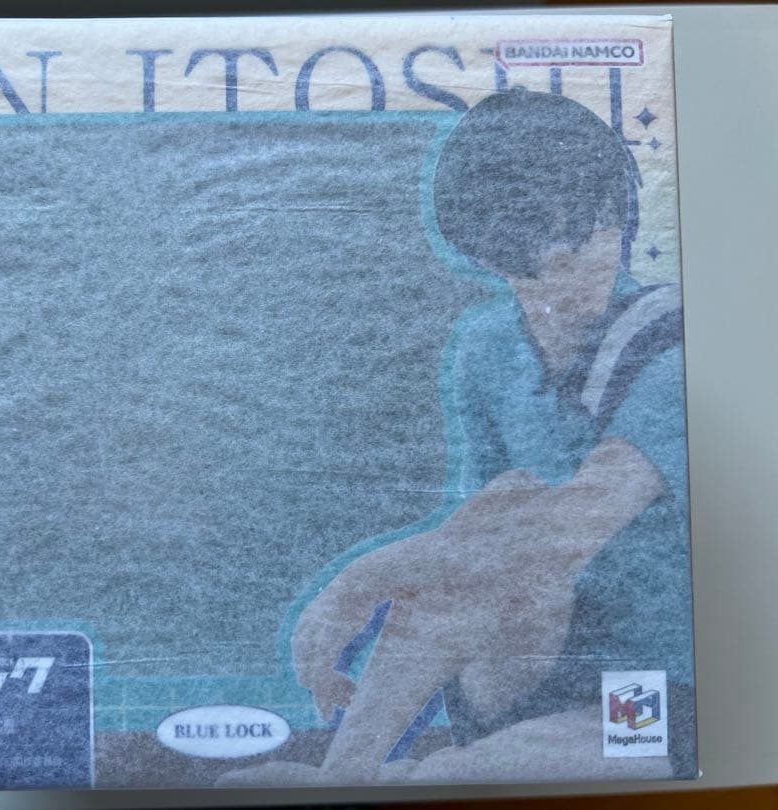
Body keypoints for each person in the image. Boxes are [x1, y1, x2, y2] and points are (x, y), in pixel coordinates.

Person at [220, 88, 694, 785]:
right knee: (497, 513)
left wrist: (358, 582)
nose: (562, 291)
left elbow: (562, 533)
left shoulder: (671, 348)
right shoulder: (488, 348)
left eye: (583, 250)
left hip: (652, 689)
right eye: (530, 270)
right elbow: (479, 543)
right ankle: (347, 770)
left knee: (468, 762)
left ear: (613, 220)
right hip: (523, 667)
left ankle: (444, 771)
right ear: (492, 258)